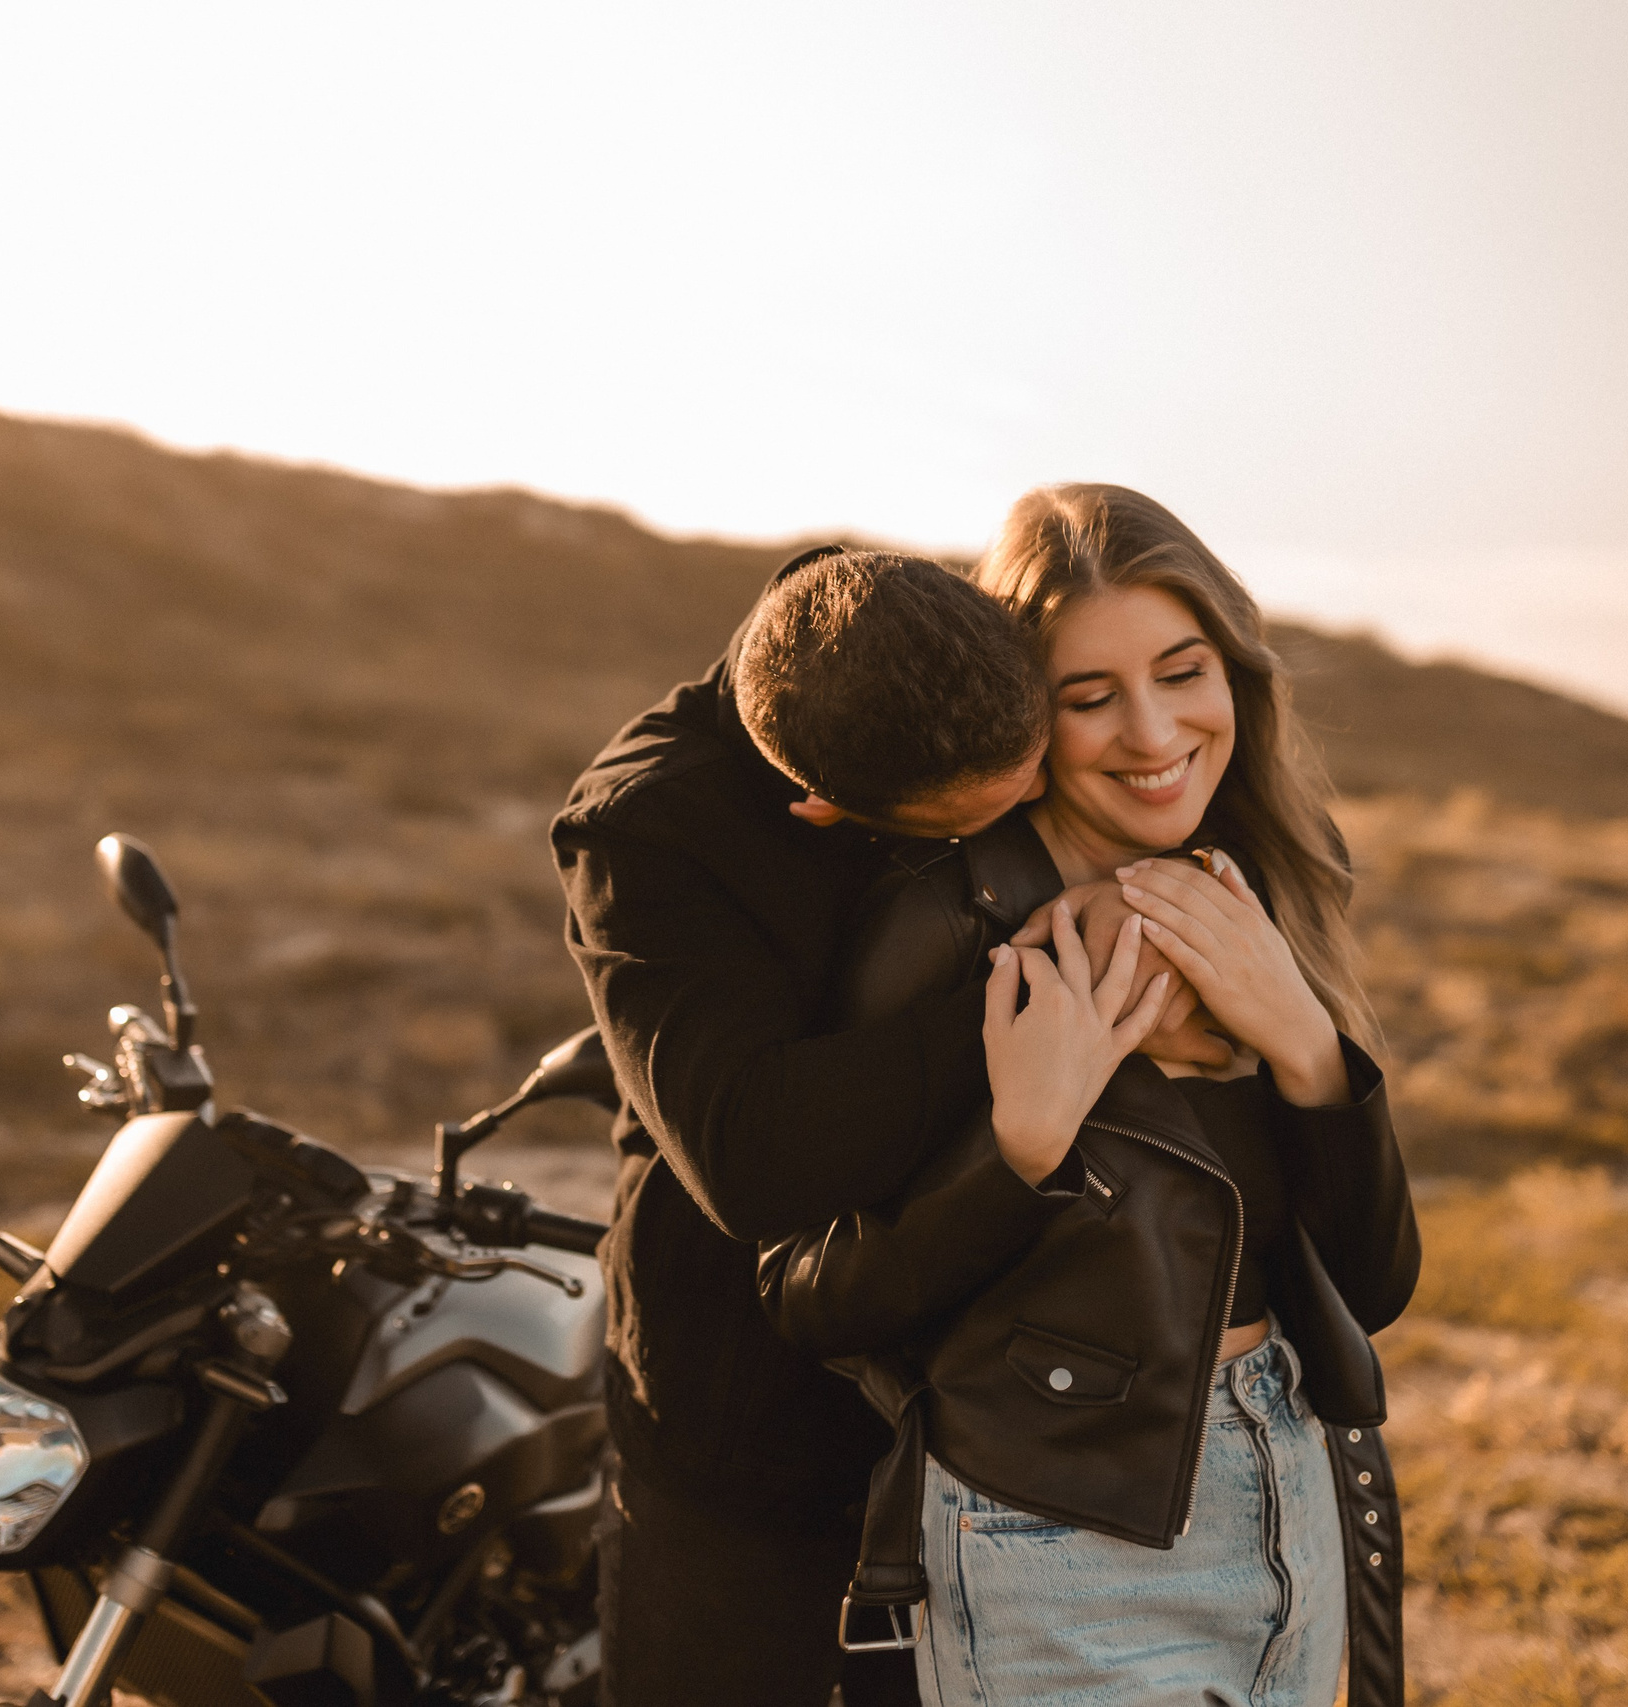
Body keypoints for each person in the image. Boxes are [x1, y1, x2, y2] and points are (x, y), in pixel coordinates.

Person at [759, 485, 1421, 1707]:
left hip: (1292, 1497)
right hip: (1051, 1540)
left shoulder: (1261, 882)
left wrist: (1304, 1045)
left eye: (1184, 671)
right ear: (1024, 720)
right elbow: (813, 1295)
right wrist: (1020, 1152)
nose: (1153, 730)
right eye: (1087, 697)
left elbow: (1372, 1286)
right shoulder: (946, 922)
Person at [552, 545, 1139, 1707]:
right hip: (750, 1425)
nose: (1040, 802)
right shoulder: (643, 825)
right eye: (990, 809)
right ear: (824, 810)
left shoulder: (948, 633)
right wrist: (1028, 999)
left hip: (1004, 1411)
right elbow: (754, 1157)